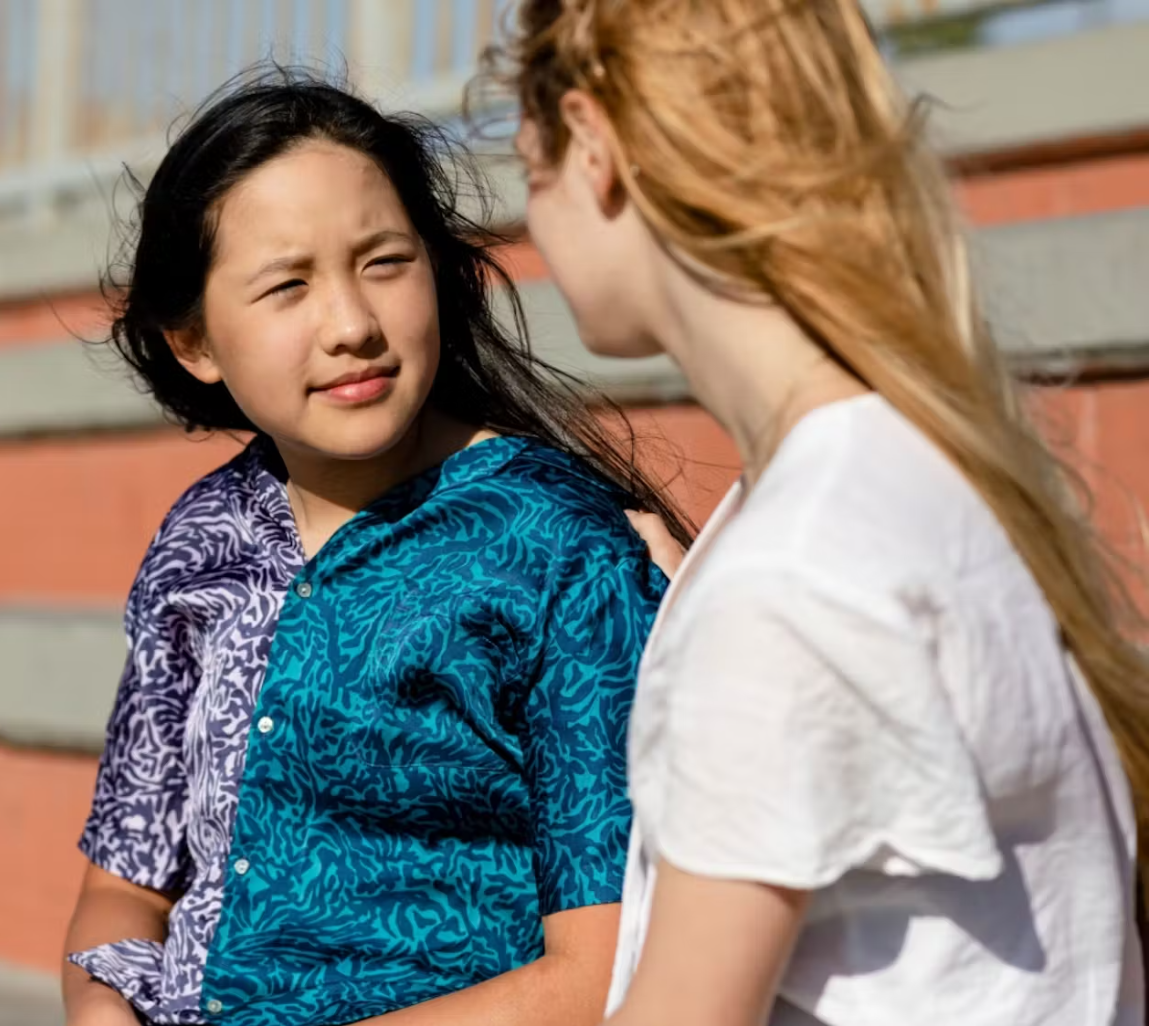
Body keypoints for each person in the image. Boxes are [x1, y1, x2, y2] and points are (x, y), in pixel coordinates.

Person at [497, 2, 1147, 1024]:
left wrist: (725, 642)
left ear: (592, 146)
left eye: (529, 170)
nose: (530, 222)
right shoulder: (902, 471)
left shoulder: (786, 577)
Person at [62, 73, 689, 1026]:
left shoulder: (562, 550)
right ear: (194, 341)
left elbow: (609, 965)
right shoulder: (200, 544)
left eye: (385, 262)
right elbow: (124, 893)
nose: (352, 325)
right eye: (287, 285)